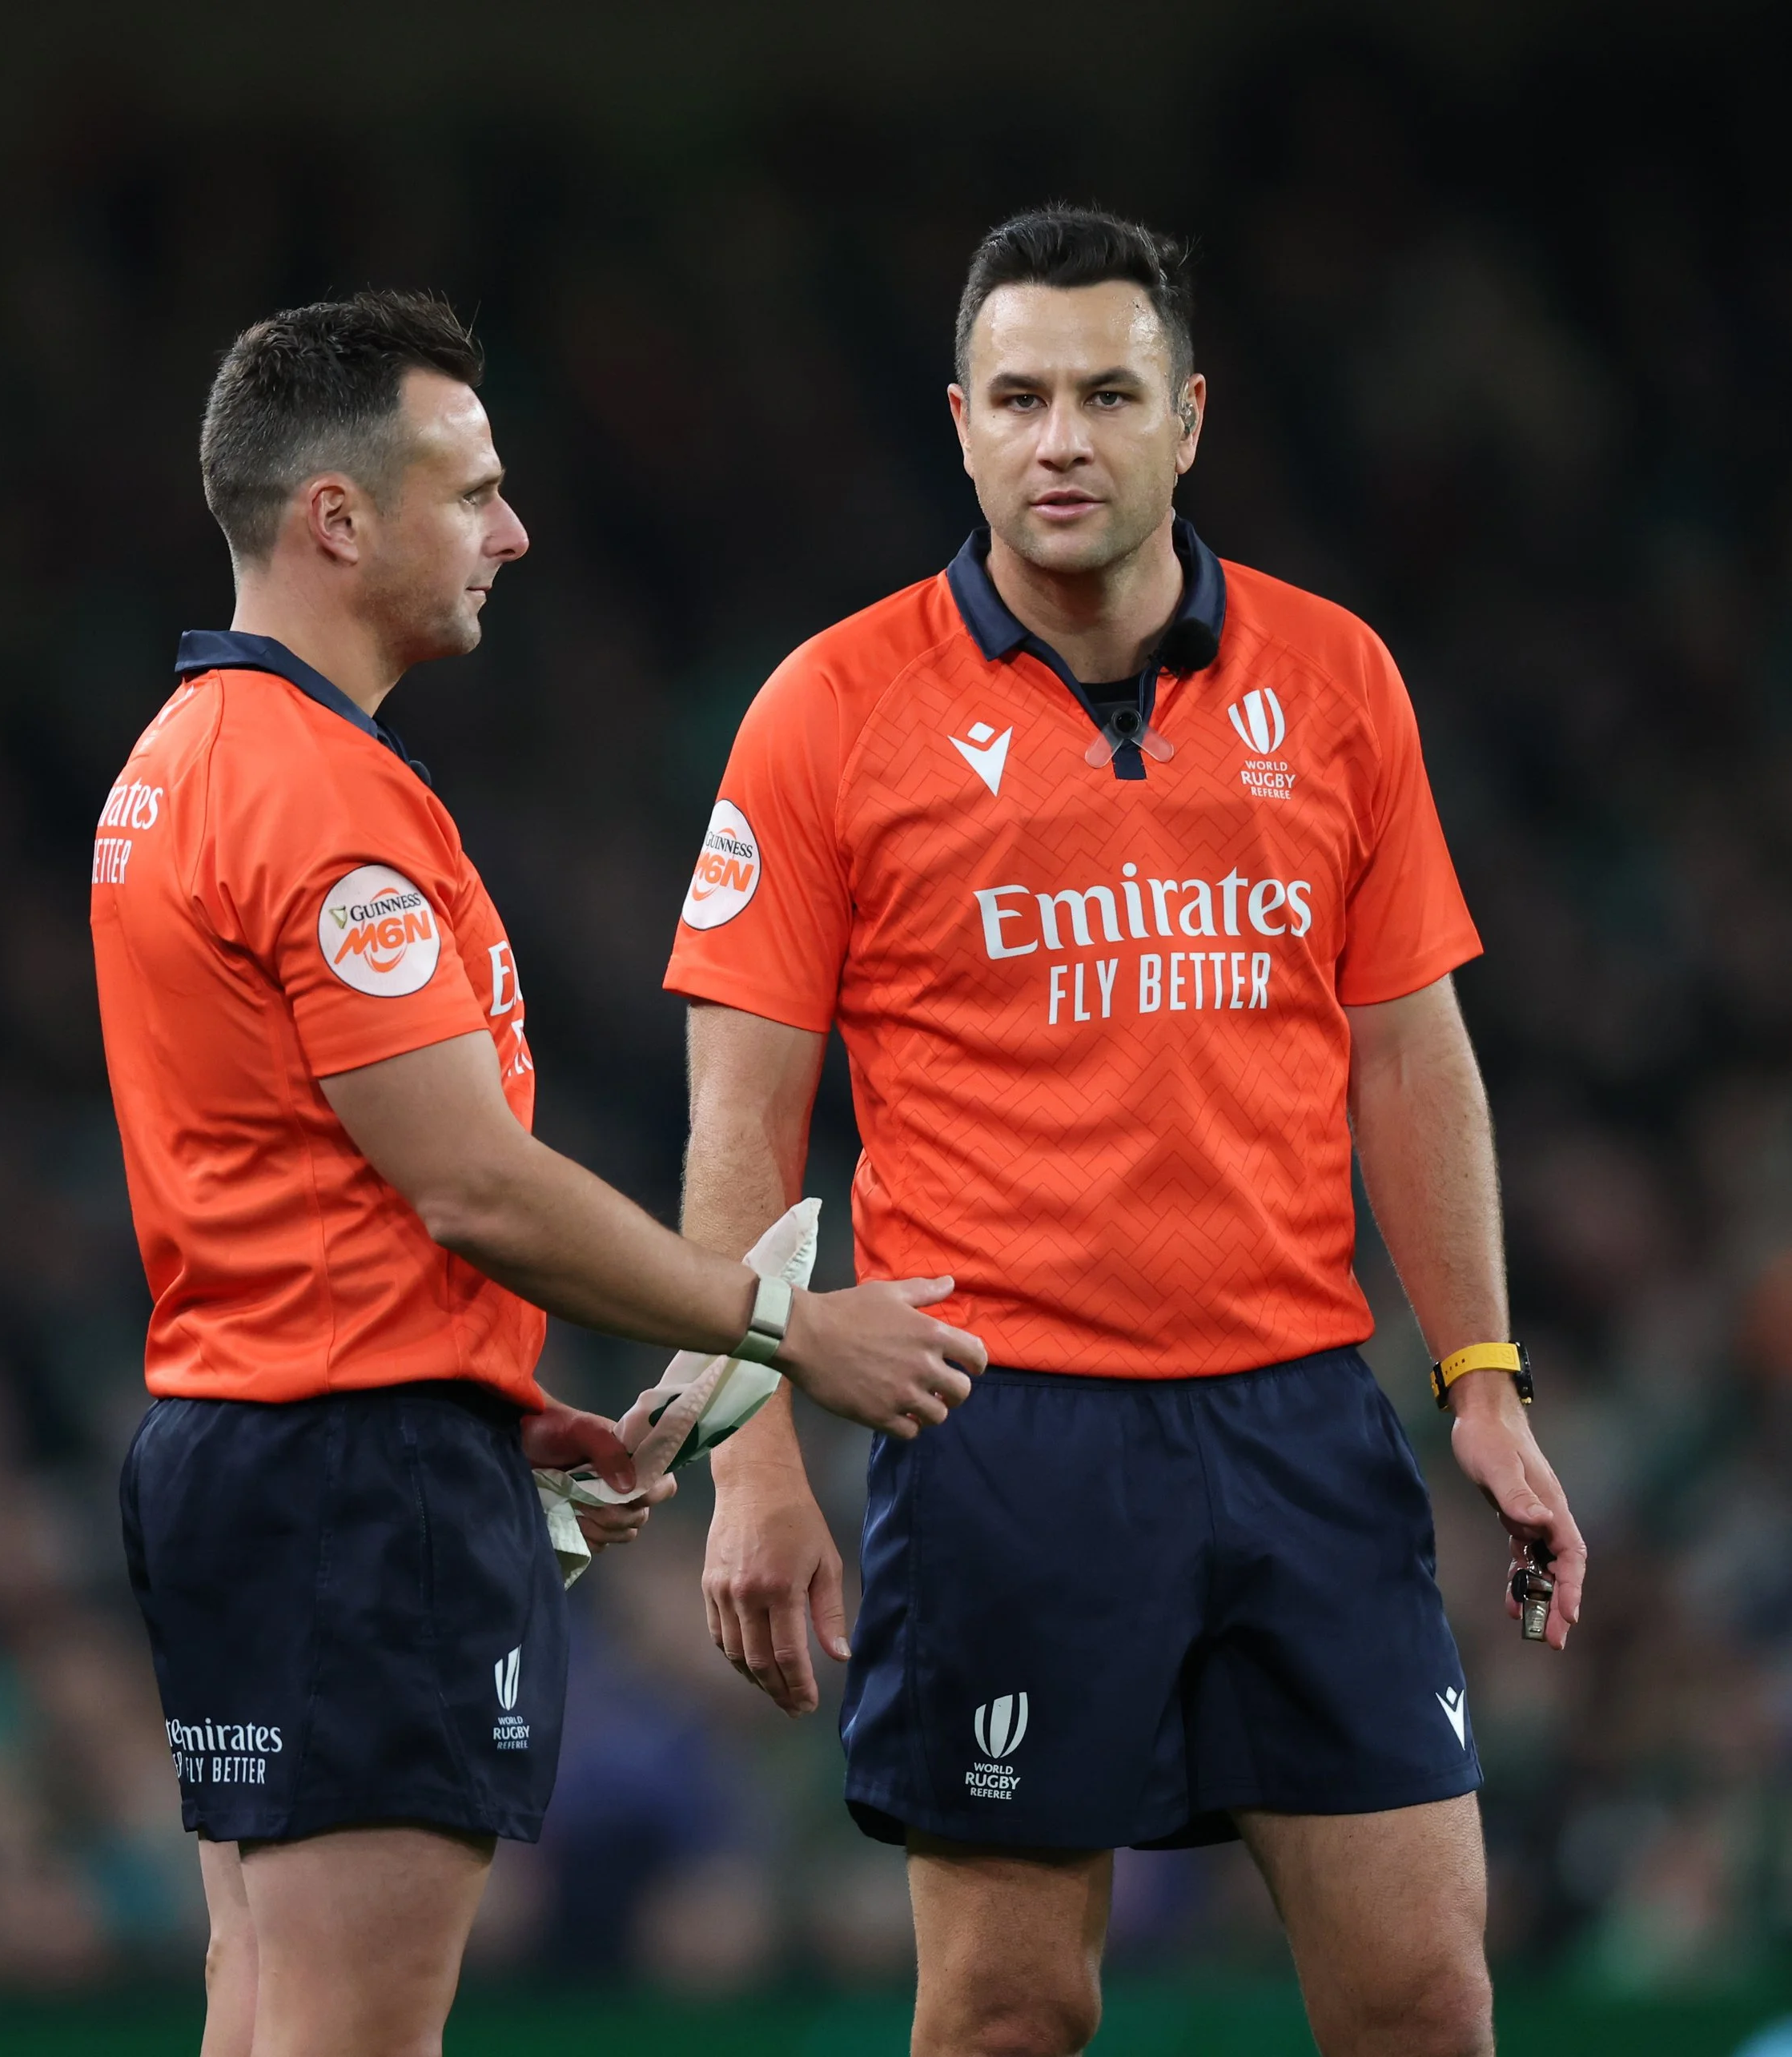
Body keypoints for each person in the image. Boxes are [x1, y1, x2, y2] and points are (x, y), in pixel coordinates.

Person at [666, 210, 1588, 2057]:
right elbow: (745, 1118)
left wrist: (1480, 1378)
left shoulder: (1336, 682)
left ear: (1188, 419)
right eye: (1016, 397)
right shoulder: (827, 708)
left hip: (1297, 1423)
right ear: (957, 424)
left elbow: (1413, 1061)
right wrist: (748, 1464)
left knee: (1423, 1999)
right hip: (1002, 1439)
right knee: (1009, 2008)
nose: (1058, 439)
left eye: (1105, 394)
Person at [90, 290, 985, 2057]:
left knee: (261, 2009)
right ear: (336, 517)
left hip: (257, 1454)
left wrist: (490, 1394)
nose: (515, 531)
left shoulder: (177, 762)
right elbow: (473, 1190)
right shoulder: (315, 799)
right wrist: (784, 1331)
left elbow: (324, 1189)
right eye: (473, 490)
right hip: (355, 1491)